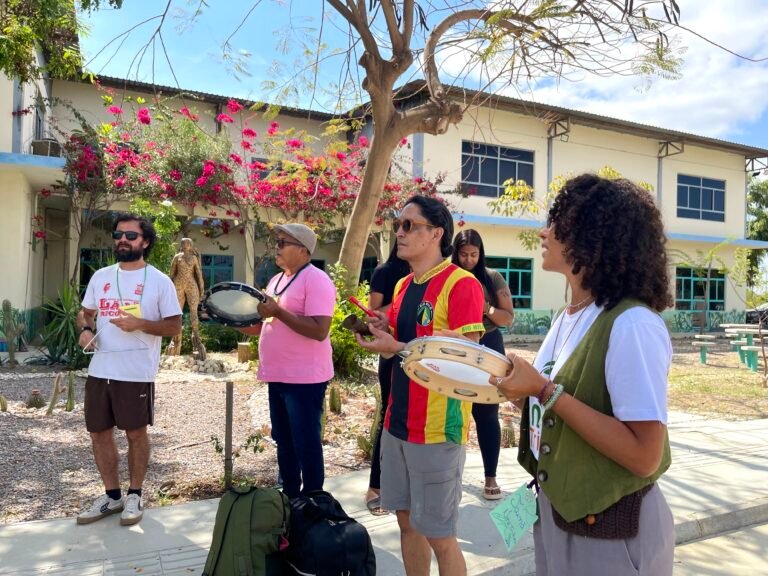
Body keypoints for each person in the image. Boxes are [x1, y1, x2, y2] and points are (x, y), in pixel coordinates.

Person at [493, 174, 675, 575]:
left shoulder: (632, 324)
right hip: (559, 514)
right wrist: (513, 387)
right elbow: (549, 400)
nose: (544, 232)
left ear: (593, 236)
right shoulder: (569, 317)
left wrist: (544, 390)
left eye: (558, 223)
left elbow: (645, 456)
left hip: (612, 531)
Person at [356, 195, 485, 576]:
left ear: (436, 234)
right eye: (399, 224)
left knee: (440, 536)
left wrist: (395, 345)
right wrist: (382, 329)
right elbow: (403, 341)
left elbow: (466, 362)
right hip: (398, 424)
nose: (400, 232)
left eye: (409, 225)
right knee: (407, 523)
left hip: (437, 429)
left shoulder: (462, 285)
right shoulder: (401, 287)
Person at [76, 214, 182, 526]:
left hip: (136, 371)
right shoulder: (102, 276)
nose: (123, 240)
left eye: (131, 236)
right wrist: (84, 330)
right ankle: (112, 496)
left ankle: (135, 494)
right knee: (98, 434)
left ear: (145, 242)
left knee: (135, 433)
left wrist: (140, 324)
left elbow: (175, 326)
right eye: (119, 234)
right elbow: (86, 313)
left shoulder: (160, 281)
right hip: (101, 368)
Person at [239, 223, 336, 498]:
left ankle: (315, 500)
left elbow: (319, 330)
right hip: (278, 375)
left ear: (303, 250)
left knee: (305, 442)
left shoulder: (317, 280)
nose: (276, 248)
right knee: (283, 439)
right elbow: (264, 324)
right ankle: (291, 496)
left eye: (283, 243)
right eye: (277, 242)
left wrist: (278, 312)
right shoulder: (277, 280)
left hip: (304, 379)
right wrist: (230, 319)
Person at [452, 229, 514, 500]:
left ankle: (490, 476)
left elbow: (507, 317)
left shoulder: (492, 278)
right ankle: (450, 472)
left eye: (474, 255)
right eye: (463, 254)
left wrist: (484, 307)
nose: (468, 260)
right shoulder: (447, 277)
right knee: (452, 410)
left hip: (488, 344)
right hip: (455, 346)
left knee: (487, 412)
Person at [364, 245, 410, 516]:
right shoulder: (387, 272)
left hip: (418, 353)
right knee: (388, 415)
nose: (403, 233)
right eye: (403, 226)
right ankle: (376, 486)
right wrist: (403, 303)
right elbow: (374, 312)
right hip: (391, 352)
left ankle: (401, 487)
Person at [166, 237, 205, 356]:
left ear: (191, 245)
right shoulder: (177, 257)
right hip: (178, 284)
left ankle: (196, 335)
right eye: (184, 243)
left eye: (188, 243)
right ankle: (175, 338)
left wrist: (201, 287)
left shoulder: (193, 258)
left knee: (194, 310)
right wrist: (169, 289)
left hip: (191, 284)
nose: (185, 244)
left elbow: (198, 273)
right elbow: (171, 273)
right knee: (177, 311)